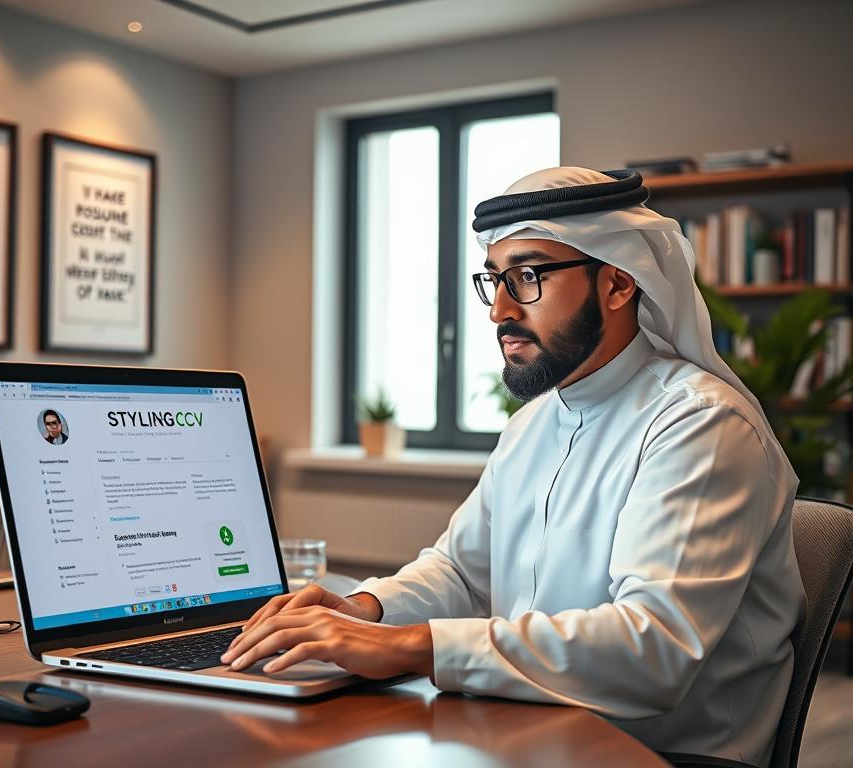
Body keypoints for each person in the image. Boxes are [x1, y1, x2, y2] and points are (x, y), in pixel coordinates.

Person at [220, 167, 805, 766]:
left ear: (618, 284)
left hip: (664, 755)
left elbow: (651, 649)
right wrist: (366, 611)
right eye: (495, 280)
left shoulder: (700, 424)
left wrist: (406, 647)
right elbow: (462, 573)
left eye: (527, 277)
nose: (499, 309)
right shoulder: (532, 424)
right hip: (528, 731)